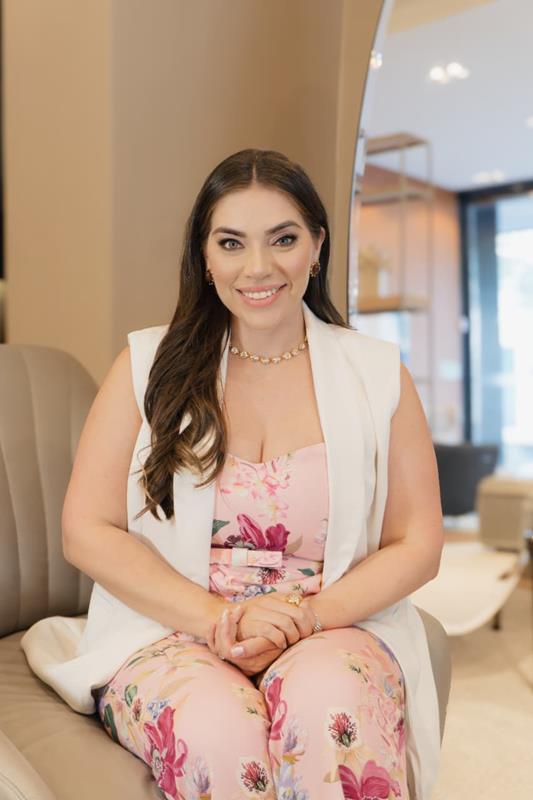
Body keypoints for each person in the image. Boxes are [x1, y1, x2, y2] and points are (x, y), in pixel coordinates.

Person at [22, 149, 444, 800]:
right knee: (219, 733)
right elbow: (86, 529)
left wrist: (306, 618)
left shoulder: (378, 374)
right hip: (170, 627)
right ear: (205, 255)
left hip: (332, 625)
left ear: (317, 246)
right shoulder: (145, 364)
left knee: (330, 710)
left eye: (283, 239)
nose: (257, 267)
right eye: (231, 242)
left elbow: (417, 541)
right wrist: (219, 619)